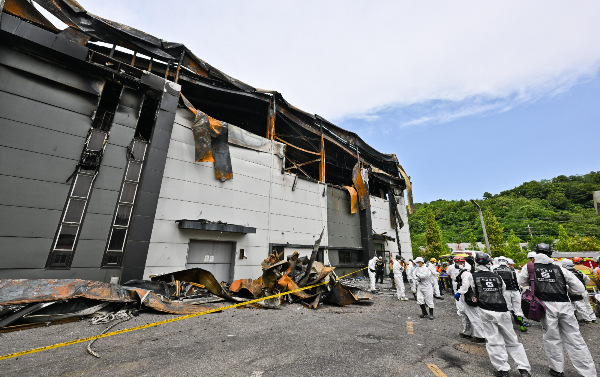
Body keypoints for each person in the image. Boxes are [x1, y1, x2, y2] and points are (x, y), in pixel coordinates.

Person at [518, 243, 597, 377]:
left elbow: (521, 282)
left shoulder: (530, 267)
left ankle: (557, 369)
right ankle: (588, 372)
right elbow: (579, 288)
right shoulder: (559, 268)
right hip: (565, 305)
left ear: (536, 254)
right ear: (550, 254)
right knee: (575, 339)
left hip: (545, 306)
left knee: (552, 338)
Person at [471, 252, 532, 377]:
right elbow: (502, 290)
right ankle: (524, 369)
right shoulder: (497, 276)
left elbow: (472, 290)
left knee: (494, 340)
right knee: (512, 340)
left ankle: (503, 370)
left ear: (476, 263)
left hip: (486, 310)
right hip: (502, 310)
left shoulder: (473, 276)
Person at [454, 257, 486, 343]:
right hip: (465, 297)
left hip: (469, 296)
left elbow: (466, 284)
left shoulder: (466, 273)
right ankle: (467, 332)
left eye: (458, 262)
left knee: (474, 316)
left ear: (463, 263)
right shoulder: (463, 272)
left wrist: (459, 292)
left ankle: (480, 336)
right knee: (464, 314)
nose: (456, 264)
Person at [494, 257, 528, 332]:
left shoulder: (495, 270)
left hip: (505, 292)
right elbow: (518, 282)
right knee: (518, 309)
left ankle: (508, 327)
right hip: (515, 291)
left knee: (507, 309)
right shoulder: (513, 270)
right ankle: (522, 326)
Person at [562, 259, 596, 324]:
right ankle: (593, 318)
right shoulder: (578, 272)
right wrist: (582, 286)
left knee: (580, 305)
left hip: (575, 292)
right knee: (587, 304)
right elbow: (587, 279)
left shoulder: (566, 272)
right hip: (584, 290)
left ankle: (587, 319)